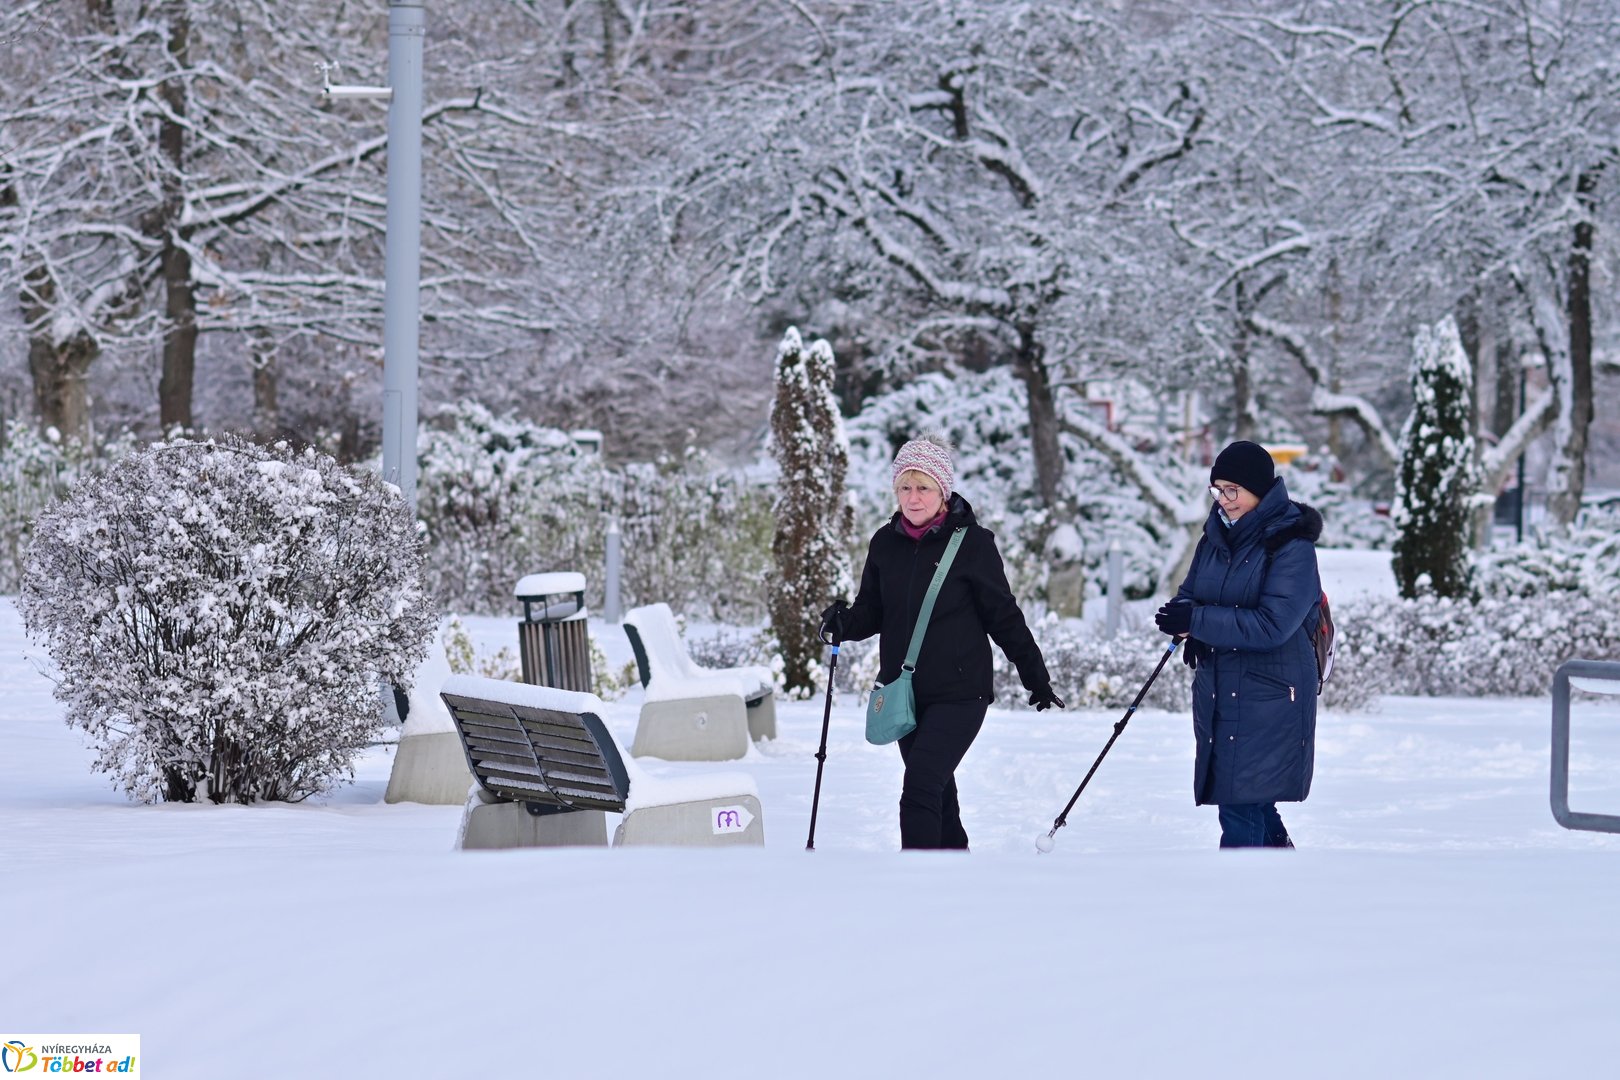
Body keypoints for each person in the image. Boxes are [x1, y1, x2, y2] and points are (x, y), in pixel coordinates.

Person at [820, 434, 1063, 851]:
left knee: (919, 785)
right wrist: (842, 623)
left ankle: (918, 887)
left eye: (923, 487)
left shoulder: (973, 545)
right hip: (905, 695)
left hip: (961, 693)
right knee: (939, 795)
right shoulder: (884, 543)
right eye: (905, 488)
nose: (913, 498)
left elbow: (1003, 617)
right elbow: (873, 612)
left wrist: (1035, 677)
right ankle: (954, 875)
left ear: (943, 490)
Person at [1155, 440, 1323, 849]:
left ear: (1259, 491)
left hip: (1270, 695)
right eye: (1217, 489)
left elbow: (1272, 625)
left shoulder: (1291, 546)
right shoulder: (1215, 537)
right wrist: (1184, 618)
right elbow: (1192, 591)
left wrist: (1198, 622)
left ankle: (1241, 900)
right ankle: (1282, 869)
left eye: (1234, 490)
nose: (1224, 500)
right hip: (1222, 688)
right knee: (1247, 796)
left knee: (1240, 799)